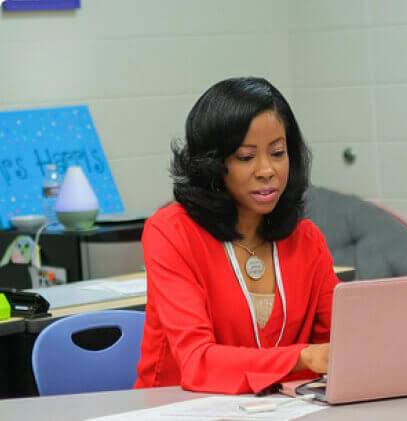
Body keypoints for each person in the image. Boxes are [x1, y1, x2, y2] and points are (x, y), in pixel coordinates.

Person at [135, 77, 338, 394]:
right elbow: (197, 361)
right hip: (178, 409)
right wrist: (303, 357)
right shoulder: (171, 232)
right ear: (213, 165)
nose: (266, 170)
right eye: (246, 157)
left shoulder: (306, 239)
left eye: (278, 152)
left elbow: (337, 344)